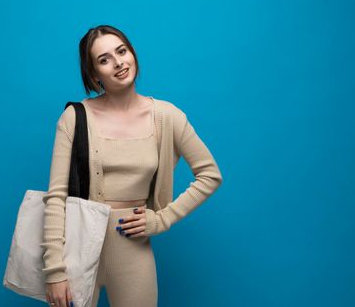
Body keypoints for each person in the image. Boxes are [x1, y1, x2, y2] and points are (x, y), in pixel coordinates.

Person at [41, 25, 223, 307]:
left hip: (132, 248)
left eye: (121, 51)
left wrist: (162, 219)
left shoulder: (167, 116)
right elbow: (56, 196)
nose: (118, 63)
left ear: (132, 53)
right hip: (76, 248)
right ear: (93, 74)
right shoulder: (74, 117)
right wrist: (54, 272)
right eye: (104, 60)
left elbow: (210, 174)